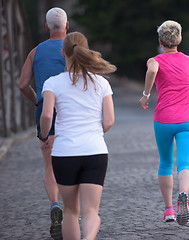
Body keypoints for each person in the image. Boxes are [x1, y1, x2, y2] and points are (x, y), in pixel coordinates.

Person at [39, 31, 116, 240]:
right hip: (95, 151)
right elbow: (109, 120)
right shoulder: (101, 83)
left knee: (71, 211)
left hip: (65, 153)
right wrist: (93, 133)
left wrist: (45, 136)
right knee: (91, 212)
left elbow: (47, 115)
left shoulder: (52, 83)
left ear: (63, 53)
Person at [139, 20, 189, 225]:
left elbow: (152, 69)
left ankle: (169, 210)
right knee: (184, 163)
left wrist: (146, 94)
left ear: (160, 41)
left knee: (165, 163)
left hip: (164, 119)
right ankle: (183, 192)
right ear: (179, 39)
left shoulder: (155, 60)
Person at [18, 7, 69, 239]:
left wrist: (38, 101)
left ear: (47, 27)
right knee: (72, 162)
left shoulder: (35, 51)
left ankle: (54, 203)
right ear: (67, 26)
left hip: (45, 114)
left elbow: (22, 85)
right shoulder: (74, 49)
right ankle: (73, 210)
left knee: (50, 166)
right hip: (71, 113)